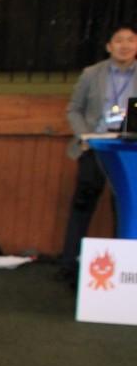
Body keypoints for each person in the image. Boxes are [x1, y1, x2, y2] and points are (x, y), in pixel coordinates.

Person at [57, 24, 137, 283]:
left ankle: (123, 269)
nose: (125, 45)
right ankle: (69, 264)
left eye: (131, 40)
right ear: (109, 46)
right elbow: (74, 110)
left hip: (129, 151)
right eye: (119, 40)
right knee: (83, 205)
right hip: (95, 148)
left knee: (124, 207)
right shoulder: (92, 74)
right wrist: (85, 137)